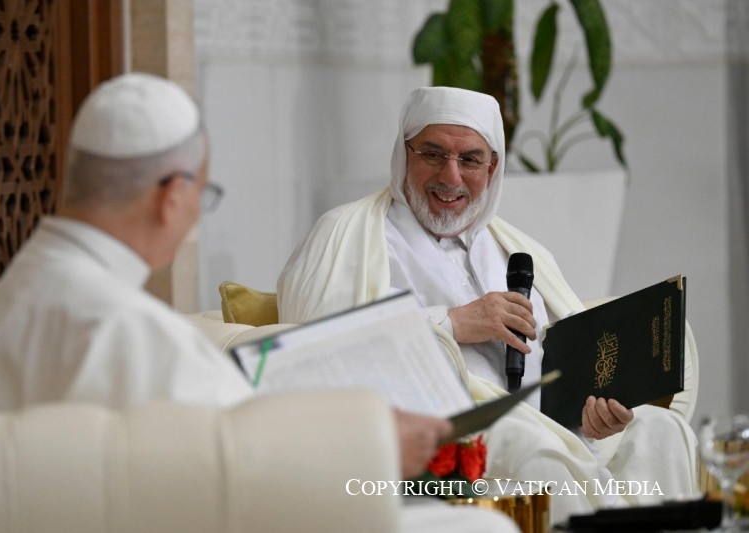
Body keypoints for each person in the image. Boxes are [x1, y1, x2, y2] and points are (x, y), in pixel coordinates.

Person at [0, 74, 520, 533]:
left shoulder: (18, 293)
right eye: (203, 194)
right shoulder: (126, 330)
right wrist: (377, 442)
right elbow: (241, 467)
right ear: (172, 197)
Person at [277, 86, 699, 523]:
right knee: (535, 453)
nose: (451, 177)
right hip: (450, 434)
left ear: (492, 167)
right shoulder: (347, 234)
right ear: (405, 155)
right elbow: (314, 354)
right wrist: (454, 323)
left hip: (549, 422)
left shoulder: (515, 247)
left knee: (659, 432)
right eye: (433, 154)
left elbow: (573, 361)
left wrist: (591, 414)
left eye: (471, 160)